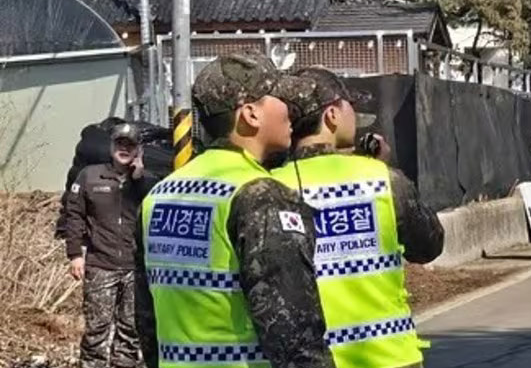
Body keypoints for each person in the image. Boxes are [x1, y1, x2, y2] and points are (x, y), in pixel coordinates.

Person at [134, 53, 333, 368]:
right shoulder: (261, 195)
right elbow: (294, 335)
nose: (292, 111)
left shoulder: (158, 196)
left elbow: (147, 321)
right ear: (250, 114)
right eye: (282, 99)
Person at [271, 66, 445, 368]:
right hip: (388, 356)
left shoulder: (268, 187)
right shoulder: (382, 180)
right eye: (349, 105)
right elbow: (428, 246)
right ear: (332, 115)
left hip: (313, 359)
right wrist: (381, 167)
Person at [64, 123, 156, 368]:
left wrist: (138, 179)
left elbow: (155, 216)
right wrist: (75, 254)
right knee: (97, 327)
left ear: (139, 150)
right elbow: (74, 215)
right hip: (100, 265)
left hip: (135, 268)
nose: (124, 149)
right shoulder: (90, 176)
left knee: (131, 328)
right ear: (111, 146)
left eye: (130, 145)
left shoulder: (148, 182)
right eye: (119, 143)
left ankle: (124, 364)